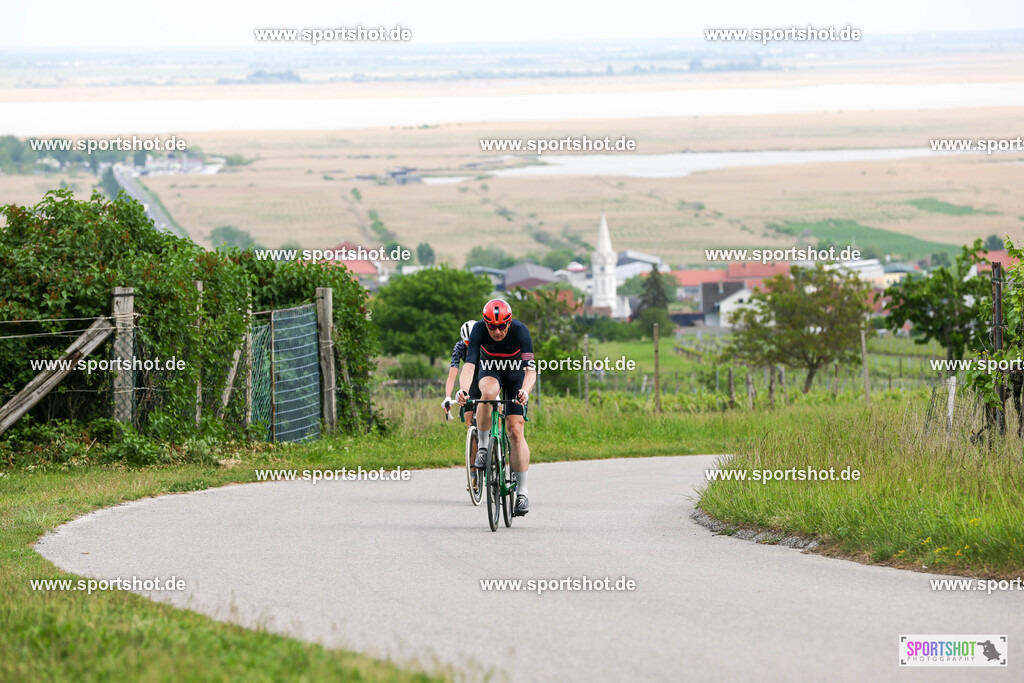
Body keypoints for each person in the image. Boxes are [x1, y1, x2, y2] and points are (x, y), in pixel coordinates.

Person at [457, 299, 536, 516]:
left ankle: (522, 493)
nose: (497, 331)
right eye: (492, 326)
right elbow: (470, 366)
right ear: (485, 323)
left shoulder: (520, 331)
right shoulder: (478, 331)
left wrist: (525, 391)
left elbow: (531, 370)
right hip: (489, 369)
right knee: (488, 394)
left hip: (515, 375)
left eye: (502, 326)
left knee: (515, 431)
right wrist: (463, 390)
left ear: (509, 323)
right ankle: (483, 447)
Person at [443, 319, 480, 444]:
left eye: (472, 341)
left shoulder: (486, 345)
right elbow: (452, 374)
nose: (469, 344)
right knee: (470, 423)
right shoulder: (459, 347)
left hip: (487, 377)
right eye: (467, 341)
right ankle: (474, 461)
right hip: (471, 379)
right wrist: (447, 396)